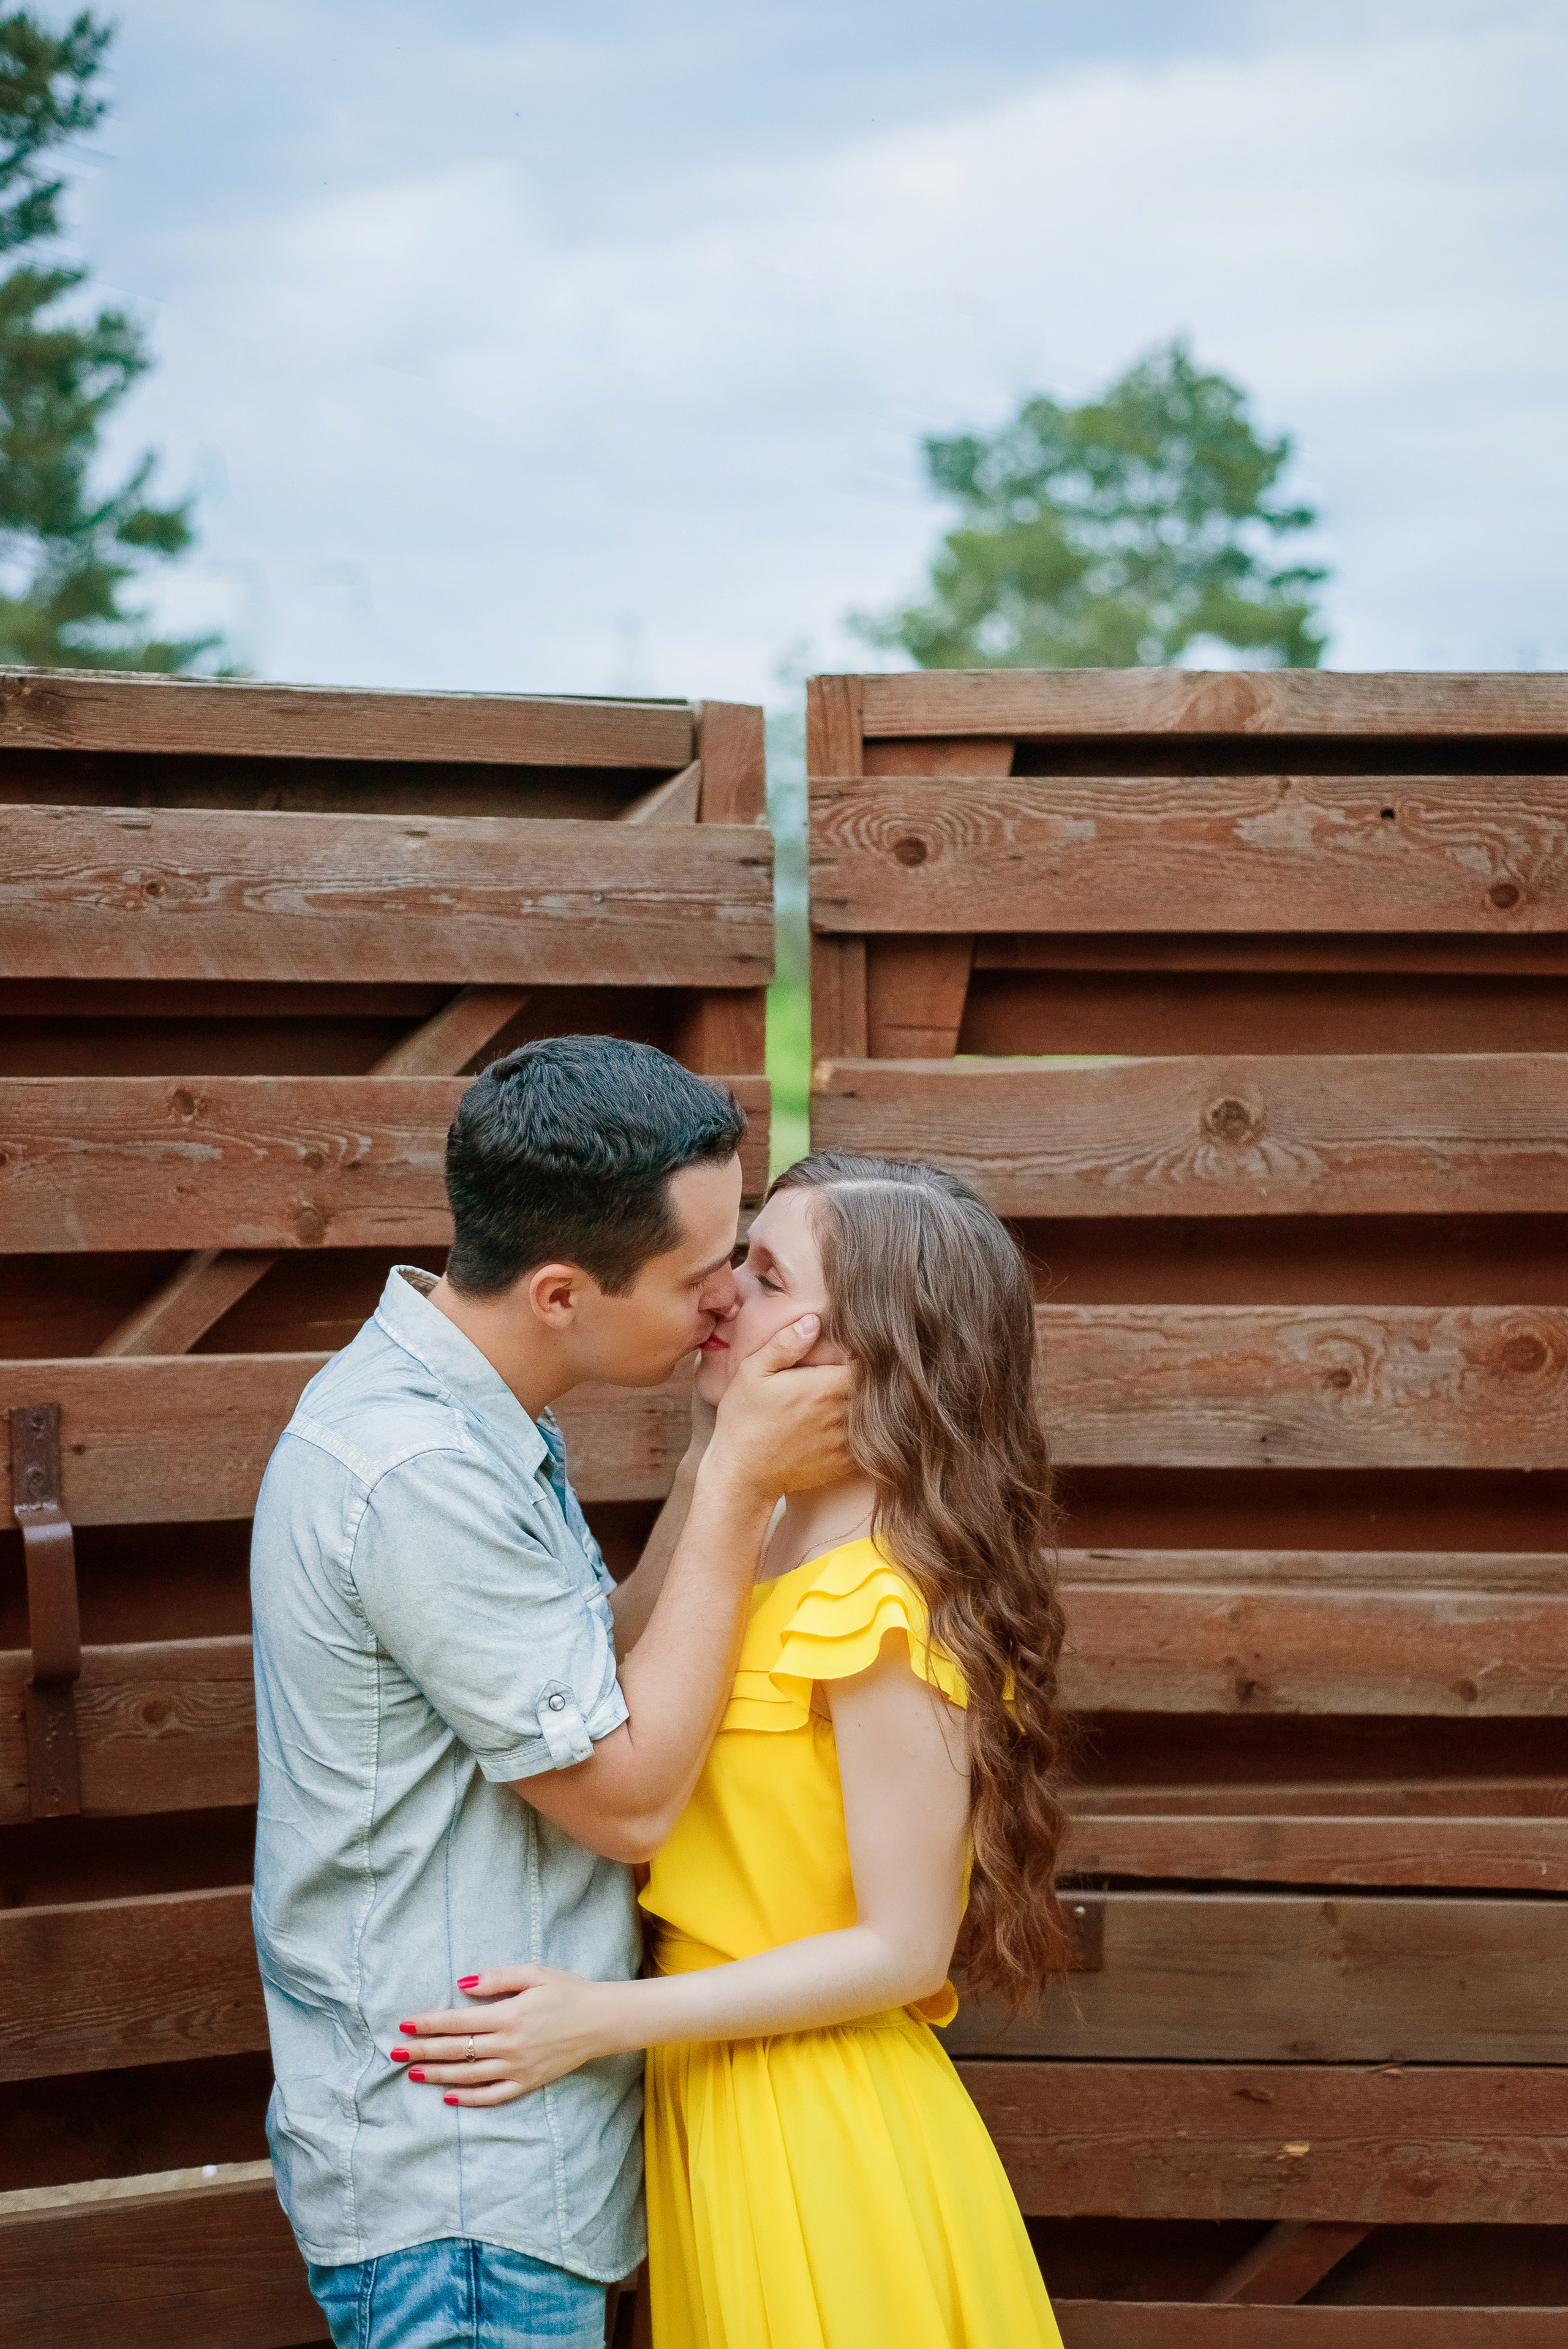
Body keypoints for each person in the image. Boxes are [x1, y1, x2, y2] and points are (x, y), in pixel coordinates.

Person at [395, 1152, 1070, 2348]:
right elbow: (594, 1686)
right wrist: (724, 1470)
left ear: (861, 1351)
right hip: (709, 2106)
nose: (719, 1297)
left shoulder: (884, 1605)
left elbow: (902, 1945)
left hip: (817, 2136)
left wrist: (598, 2019)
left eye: (761, 1276)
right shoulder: (752, 1549)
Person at [249, 1038, 852, 2349]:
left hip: (506, 2168)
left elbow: (594, 1683)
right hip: (462, 2188)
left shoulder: (472, 1415)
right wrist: (746, 1485)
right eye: (702, 1276)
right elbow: (627, 1798)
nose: (723, 1302)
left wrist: (707, 1471)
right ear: (565, 1290)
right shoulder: (418, 1470)